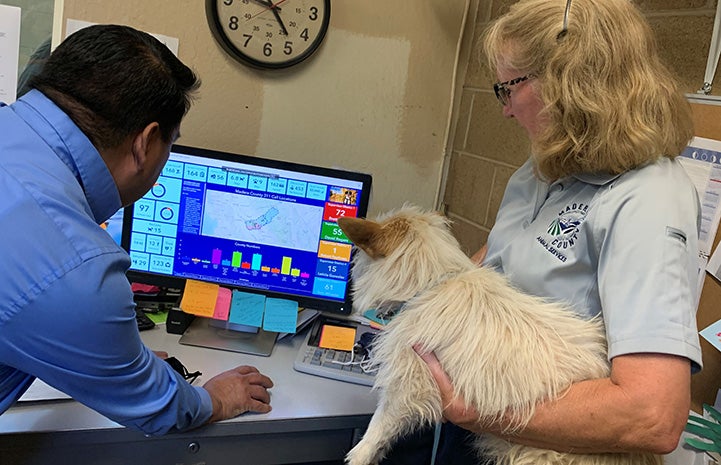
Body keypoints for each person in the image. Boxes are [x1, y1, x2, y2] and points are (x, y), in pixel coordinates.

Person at [383, 0, 703, 462]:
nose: (506, 110)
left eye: (508, 89)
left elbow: (651, 415)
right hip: (474, 422)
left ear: (571, 84)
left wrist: (476, 411)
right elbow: (497, 256)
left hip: (530, 443)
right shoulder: (544, 168)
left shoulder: (648, 197)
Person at [0, 24, 274, 436]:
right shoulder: (77, 269)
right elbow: (157, 407)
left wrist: (111, 357)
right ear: (145, 143)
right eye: (171, 144)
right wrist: (217, 398)